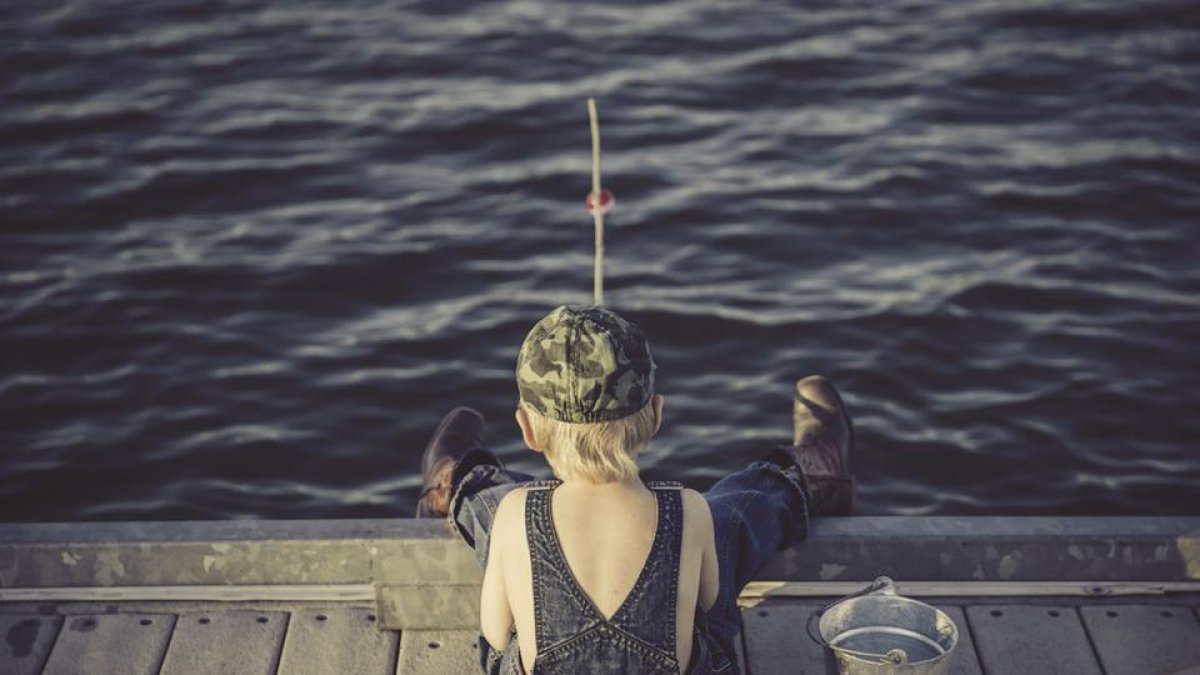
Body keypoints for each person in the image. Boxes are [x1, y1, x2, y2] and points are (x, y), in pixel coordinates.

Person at [415, 305, 854, 675]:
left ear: (527, 429)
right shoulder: (690, 508)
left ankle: (461, 481)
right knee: (726, 518)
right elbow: (709, 602)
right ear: (657, 415)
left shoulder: (515, 512)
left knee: (505, 528)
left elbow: (495, 632)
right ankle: (803, 477)